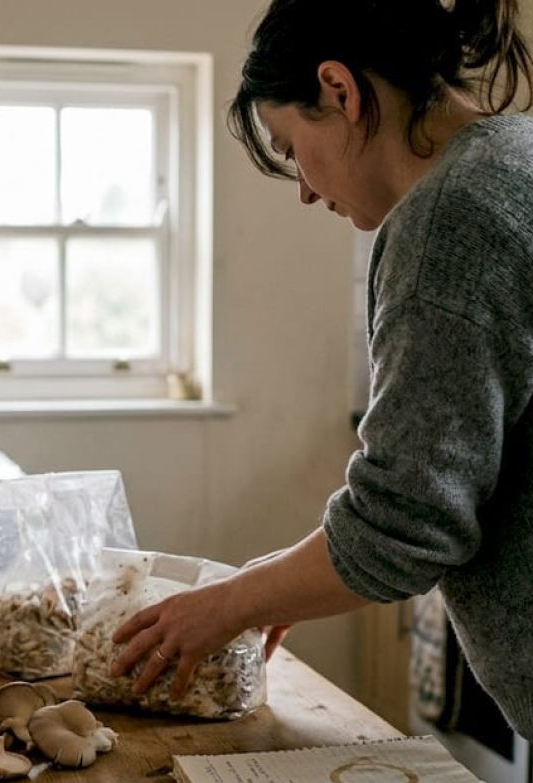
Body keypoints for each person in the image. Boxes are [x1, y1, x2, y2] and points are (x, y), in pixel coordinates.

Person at [110, 0, 533, 741]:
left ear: (338, 90)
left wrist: (225, 604)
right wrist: (275, 582)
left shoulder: (450, 219)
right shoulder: (517, 157)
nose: (303, 188)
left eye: (289, 145)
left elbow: (404, 527)